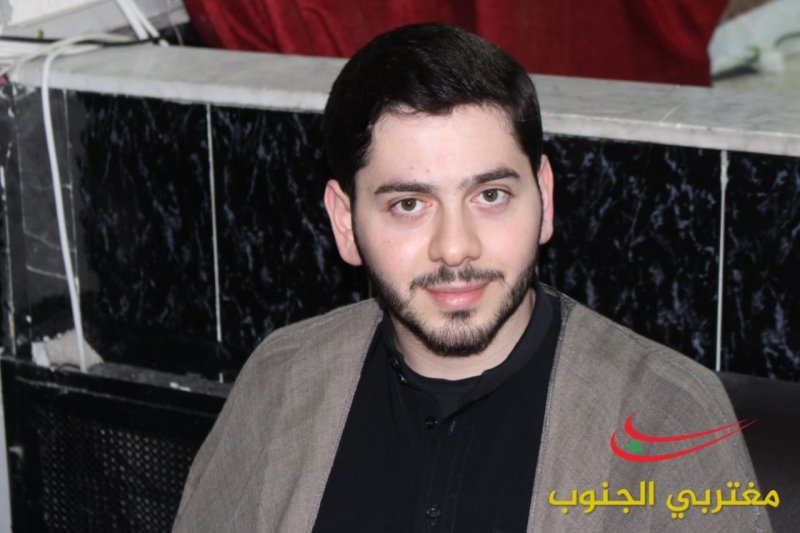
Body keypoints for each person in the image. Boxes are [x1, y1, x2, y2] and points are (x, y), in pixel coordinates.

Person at [173, 23, 771, 533]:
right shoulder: (282, 381)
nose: (455, 247)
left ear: (544, 198)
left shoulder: (669, 416)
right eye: (409, 204)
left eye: (490, 195)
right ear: (345, 223)